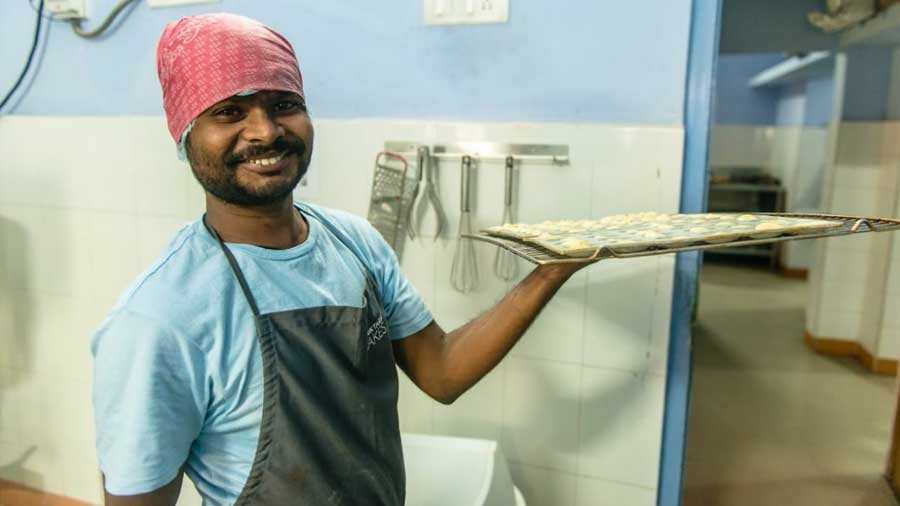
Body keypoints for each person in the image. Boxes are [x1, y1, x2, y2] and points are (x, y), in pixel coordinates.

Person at [92, 12, 587, 506]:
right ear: (185, 132)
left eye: (284, 104)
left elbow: (441, 371)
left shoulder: (353, 242)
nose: (266, 131)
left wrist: (551, 271)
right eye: (229, 112)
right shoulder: (160, 319)